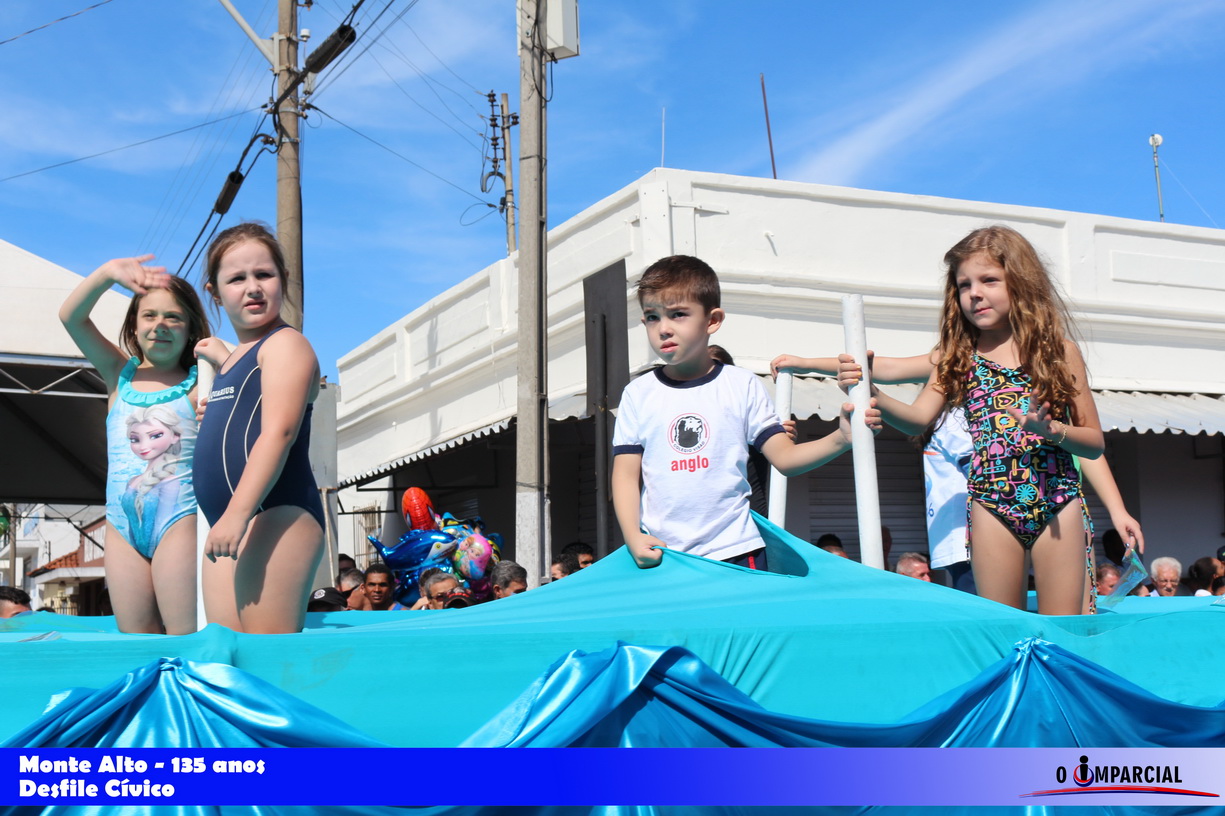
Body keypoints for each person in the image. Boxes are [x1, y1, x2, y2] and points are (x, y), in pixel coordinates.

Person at [852, 226, 1105, 615]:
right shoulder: (960, 356)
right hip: (991, 503)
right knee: (1003, 626)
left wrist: (1053, 431)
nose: (974, 293)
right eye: (964, 285)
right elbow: (918, 419)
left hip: (1057, 500)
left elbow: (1094, 442)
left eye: (989, 280)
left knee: (1062, 629)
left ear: (1020, 281)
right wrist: (874, 395)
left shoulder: (1058, 351)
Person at [612, 255, 880, 570]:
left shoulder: (742, 384)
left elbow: (786, 459)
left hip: (738, 550)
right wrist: (632, 535)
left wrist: (842, 438)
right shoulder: (637, 394)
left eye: (678, 314)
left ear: (712, 320)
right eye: (652, 317)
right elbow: (625, 475)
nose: (664, 328)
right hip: (665, 555)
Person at [59, 258, 210, 635]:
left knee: (184, 635)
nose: (160, 325)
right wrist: (108, 273)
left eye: (173, 317)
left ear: (191, 328)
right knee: (136, 638)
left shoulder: (201, 383)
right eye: (149, 316)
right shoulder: (117, 374)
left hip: (178, 521)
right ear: (134, 325)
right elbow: (71, 317)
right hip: (121, 525)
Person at [193, 222, 325, 634]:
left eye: (264, 274)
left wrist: (237, 515)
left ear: (283, 279)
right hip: (229, 520)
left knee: (267, 658)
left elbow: (278, 433)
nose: (252, 288)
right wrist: (219, 366)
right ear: (215, 293)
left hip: (275, 514)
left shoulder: (287, 344)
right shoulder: (236, 359)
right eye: (237, 279)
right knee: (228, 655)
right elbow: (245, 395)